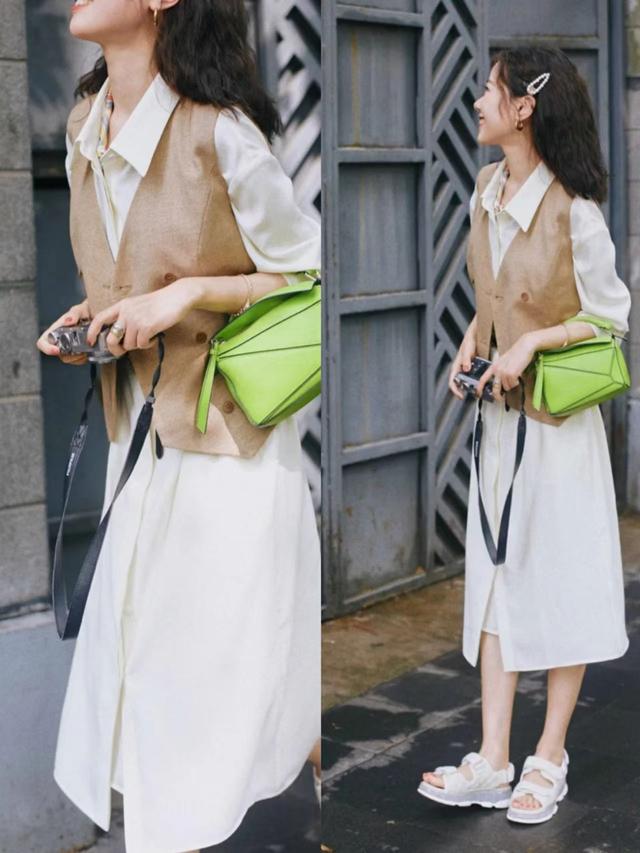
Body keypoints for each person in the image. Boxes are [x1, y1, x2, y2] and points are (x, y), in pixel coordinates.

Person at [36, 2, 321, 851]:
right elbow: (126, 268)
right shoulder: (86, 128)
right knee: (152, 696)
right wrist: (92, 317)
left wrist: (190, 294)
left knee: (193, 707)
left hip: (227, 455)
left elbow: (307, 274)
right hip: (138, 449)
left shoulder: (218, 132)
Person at [417, 46, 631, 825]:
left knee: (560, 581)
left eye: (489, 88)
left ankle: (549, 756)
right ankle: (494, 757)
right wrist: (471, 345)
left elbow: (610, 318)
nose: (478, 100)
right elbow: (492, 292)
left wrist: (534, 341)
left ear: (525, 106)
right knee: (496, 583)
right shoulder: (486, 190)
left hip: (558, 432)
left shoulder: (575, 210)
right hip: (499, 426)